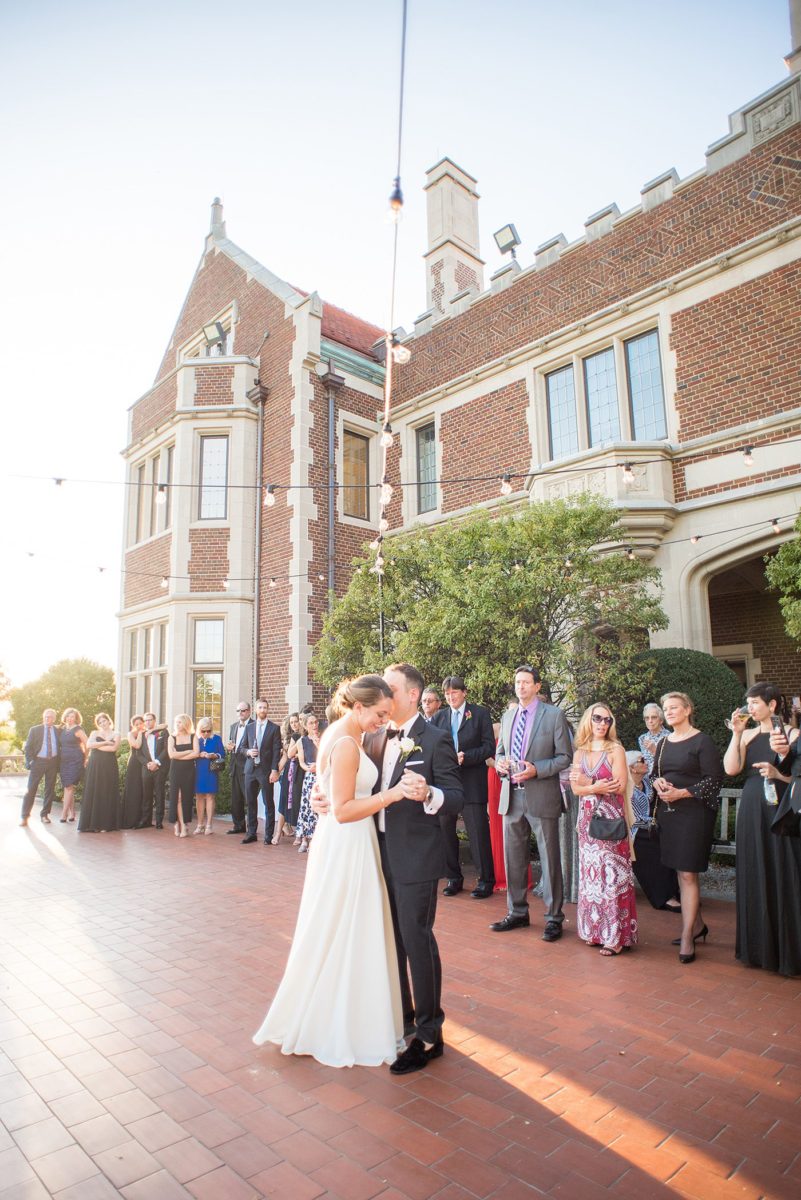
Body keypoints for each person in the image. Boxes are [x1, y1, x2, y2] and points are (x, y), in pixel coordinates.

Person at [254, 675, 410, 1067]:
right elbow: (342, 810)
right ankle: (344, 1023)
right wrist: (390, 794)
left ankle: (343, 1011)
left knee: (339, 924)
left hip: (344, 841)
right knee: (350, 924)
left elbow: (329, 794)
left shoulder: (339, 733)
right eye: (379, 714)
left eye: (388, 715)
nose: (383, 721)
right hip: (348, 843)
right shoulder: (344, 741)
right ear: (358, 707)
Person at [724, 683, 801, 977]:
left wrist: (777, 774)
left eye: (755, 703)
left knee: (786, 872)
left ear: (772, 705)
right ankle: (759, 950)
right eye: (748, 703)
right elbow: (731, 769)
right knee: (757, 870)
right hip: (753, 809)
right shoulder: (748, 734)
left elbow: (797, 777)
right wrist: (736, 734)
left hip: (783, 809)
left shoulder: (793, 735)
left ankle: (789, 951)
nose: (750, 708)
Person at [492, 665, 572, 941]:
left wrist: (537, 768)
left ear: (538, 686)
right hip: (511, 796)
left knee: (549, 858)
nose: (521, 686)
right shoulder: (508, 715)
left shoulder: (554, 716)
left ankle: (553, 918)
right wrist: (501, 762)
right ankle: (517, 913)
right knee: (513, 858)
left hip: (541, 794)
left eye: (526, 682)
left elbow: (564, 757)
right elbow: (500, 750)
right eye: (517, 682)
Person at [652, 691, 723, 964]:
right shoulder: (663, 743)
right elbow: (656, 774)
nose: (668, 712)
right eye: (665, 709)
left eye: (673, 707)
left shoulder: (702, 741)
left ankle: (686, 936)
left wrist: (681, 793)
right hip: (670, 814)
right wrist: (658, 784)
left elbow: (713, 781)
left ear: (688, 709)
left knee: (688, 874)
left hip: (694, 814)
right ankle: (697, 925)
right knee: (681, 873)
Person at [569, 706, 637, 956]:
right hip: (587, 820)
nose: (602, 723)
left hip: (610, 820)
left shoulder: (615, 749)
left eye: (607, 719)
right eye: (597, 718)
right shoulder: (580, 752)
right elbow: (575, 789)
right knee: (591, 877)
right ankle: (594, 931)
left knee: (612, 877)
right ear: (588, 720)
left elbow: (617, 786)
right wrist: (595, 786)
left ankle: (616, 936)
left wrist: (588, 784)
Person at [433, 675, 495, 898]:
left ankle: (486, 880)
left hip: (472, 781)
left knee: (477, 832)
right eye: (447, 693)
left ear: (464, 692)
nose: (451, 697)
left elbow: (489, 748)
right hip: (446, 784)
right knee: (446, 831)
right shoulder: (439, 718)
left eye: (455, 692)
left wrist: (466, 757)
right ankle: (454, 877)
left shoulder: (479, 714)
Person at [626, 751, 681, 912]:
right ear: (632, 768)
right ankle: (663, 897)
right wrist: (654, 821)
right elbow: (632, 818)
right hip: (634, 833)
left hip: (651, 828)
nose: (645, 762)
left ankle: (675, 891)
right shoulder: (627, 787)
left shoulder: (647, 782)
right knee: (651, 852)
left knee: (668, 847)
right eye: (641, 760)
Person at [242, 699, 281, 845]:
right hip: (250, 769)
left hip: (265, 771)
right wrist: (248, 752)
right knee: (251, 802)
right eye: (260, 707)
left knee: (268, 802)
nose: (262, 710)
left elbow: (276, 751)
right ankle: (251, 833)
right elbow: (242, 747)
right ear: (255, 710)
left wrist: (274, 770)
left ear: (268, 710)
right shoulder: (249, 727)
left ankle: (268, 835)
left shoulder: (274, 728)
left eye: (265, 707)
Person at [78, 714, 120, 832]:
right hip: (95, 764)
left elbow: (113, 749)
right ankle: (92, 823)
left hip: (109, 765)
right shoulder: (94, 733)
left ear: (109, 721)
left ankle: (106, 824)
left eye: (104, 721)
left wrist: (97, 746)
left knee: (106, 790)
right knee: (94, 789)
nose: (102, 723)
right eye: (100, 722)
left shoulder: (116, 734)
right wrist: (105, 742)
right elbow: (88, 745)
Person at [20, 709, 60, 826]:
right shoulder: (35, 730)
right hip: (38, 762)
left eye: (51, 717)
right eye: (46, 717)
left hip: (53, 762)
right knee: (31, 789)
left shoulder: (58, 731)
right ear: (43, 718)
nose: (48, 719)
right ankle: (25, 817)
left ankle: (45, 815)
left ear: (54, 719)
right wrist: (31, 761)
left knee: (49, 790)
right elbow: (28, 747)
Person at [168, 715, 199, 837]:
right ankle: (179, 824)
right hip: (175, 770)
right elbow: (171, 755)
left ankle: (184, 824)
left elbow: (196, 753)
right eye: (176, 722)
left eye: (180, 722)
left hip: (189, 770)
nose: (177, 724)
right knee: (178, 797)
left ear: (186, 723)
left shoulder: (193, 736)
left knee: (186, 797)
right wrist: (187, 752)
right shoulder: (172, 737)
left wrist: (179, 755)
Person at [137, 712, 169, 828]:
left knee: (159, 794)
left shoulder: (163, 732)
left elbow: (166, 750)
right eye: (145, 720)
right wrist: (148, 764)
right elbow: (138, 753)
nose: (147, 722)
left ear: (154, 721)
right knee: (146, 795)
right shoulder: (141, 734)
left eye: (150, 720)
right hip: (147, 768)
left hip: (160, 768)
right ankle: (146, 820)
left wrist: (157, 762)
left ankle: (159, 822)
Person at [295, 713, 322, 853]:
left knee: (318, 808)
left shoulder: (323, 738)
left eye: (316, 722)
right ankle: (305, 838)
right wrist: (309, 768)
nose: (314, 725)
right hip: (310, 775)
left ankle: (316, 839)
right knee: (306, 807)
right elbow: (301, 762)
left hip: (321, 774)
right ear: (305, 726)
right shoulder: (301, 741)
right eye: (311, 723)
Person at [226, 701, 253, 835]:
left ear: (249, 711)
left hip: (248, 766)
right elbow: (232, 744)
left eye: (243, 710)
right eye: (238, 711)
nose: (240, 713)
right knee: (236, 799)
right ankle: (238, 825)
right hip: (235, 766)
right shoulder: (233, 726)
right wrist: (229, 747)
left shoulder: (254, 726)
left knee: (249, 798)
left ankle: (251, 828)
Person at [274, 713, 302, 843]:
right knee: (283, 801)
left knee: (300, 802)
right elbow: (286, 757)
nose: (294, 724)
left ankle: (299, 834)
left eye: (296, 721)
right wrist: (275, 771)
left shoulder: (306, 736)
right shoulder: (290, 738)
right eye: (292, 722)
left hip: (302, 771)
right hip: (289, 772)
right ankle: (278, 833)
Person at [194, 717, 225, 834]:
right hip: (199, 771)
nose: (206, 733)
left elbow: (222, 754)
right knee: (199, 797)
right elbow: (191, 754)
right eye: (203, 731)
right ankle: (200, 824)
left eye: (208, 730)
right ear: (199, 730)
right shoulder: (195, 739)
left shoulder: (216, 739)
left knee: (210, 797)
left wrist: (214, 755)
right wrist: (199, 754)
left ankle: (209, 825)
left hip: (211, 771)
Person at [58, 708, 87, 823]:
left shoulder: (78, 729)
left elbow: (87, 743)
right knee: (68, 786)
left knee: (68, 786)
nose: (70, 719)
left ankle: (64, 814)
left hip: (75, 760)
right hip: (64, 761)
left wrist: (85, 758)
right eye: (68, 716)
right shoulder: (62, 729)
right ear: (65, 717)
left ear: (76, 718)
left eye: (72, 717)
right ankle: (72, 813)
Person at [120, 715, 145, 829]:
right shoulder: (131, 734)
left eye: (141, 723)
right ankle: (131, 818)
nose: (139, 725)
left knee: (142, 789)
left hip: (145, 762)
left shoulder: (147, 732)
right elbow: (136, 745)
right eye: (136, 724)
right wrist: (140, 733)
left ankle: (142, 818)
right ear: (133, 725)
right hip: (134, 763)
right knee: (133, 789)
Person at [638, 703, 669, 775]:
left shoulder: (669, 737)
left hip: (663, 779)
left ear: (661, 720)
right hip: (646, 780)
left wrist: (655, 751)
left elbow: (673, 764)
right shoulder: (642, 738)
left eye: (654, 717)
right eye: (647, 718)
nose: (650, 721)